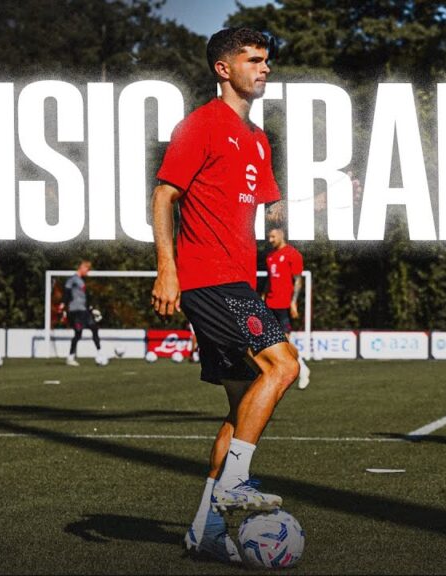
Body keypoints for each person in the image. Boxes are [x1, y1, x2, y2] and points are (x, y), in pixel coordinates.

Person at [151, 27, 299, 564]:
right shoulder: (202, 125)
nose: (265, 68)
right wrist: (167, 269)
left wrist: (323, 200)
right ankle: (236, 481)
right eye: (254, 59)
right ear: (223, 68)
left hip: (236, 277)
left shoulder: (257, 138)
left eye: (267, 60)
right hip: (209, 278)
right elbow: (163, 196)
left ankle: (206, 533)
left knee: (240, 410)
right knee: (283, 366)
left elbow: (272, 208)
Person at [263, 227, 310, 389]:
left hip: (284, 304)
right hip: (269, 302)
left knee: (285, 340)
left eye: (273, 237)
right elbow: (270, 278)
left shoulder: (293, 254)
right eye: (269, 237)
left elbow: (298, 280)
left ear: (282, 235)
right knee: (270, 340)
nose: (270, 240)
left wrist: (293, 302)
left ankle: (302, 367)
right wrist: (263, 295)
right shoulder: (270, 256)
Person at [58, 259, 104, 366]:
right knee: (78, 334)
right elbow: (67, 292)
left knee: (94, 328)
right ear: (81, 267)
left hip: (84, 311)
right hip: (75, 311)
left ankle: (100, 353)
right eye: (87, 269)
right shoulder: (73, 279)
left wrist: (91, 309)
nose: (88, 272)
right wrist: (63, 304)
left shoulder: (81, 281)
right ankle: (70, 357)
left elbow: (84, 298)